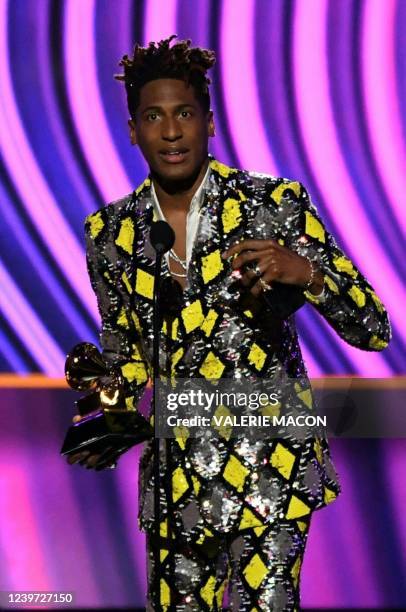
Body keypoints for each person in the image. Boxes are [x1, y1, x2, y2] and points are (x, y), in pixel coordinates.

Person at [67, 36, 391, 611]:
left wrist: (308, 274)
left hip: (270, 476)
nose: (171, 132)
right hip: (174, 487)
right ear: (133, 131)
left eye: (185, 114)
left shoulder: (275, 203)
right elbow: (132, 358)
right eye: (154, 117)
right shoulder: (110, 235)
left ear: (210, 123)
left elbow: (372, 328)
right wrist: (107, 391)